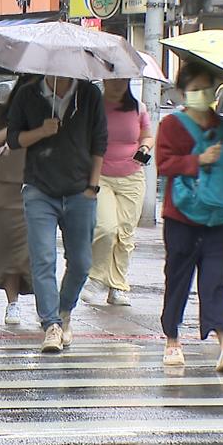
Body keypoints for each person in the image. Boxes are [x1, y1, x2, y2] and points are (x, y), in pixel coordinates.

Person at [156, 62, 223, 372]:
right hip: (181, 218)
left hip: (219, 219)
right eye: (194, 88)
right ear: (183, 92)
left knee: (217, 281)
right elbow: (164, 164)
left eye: (205, 88)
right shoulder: (171, 124)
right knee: (178, 279)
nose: (200, 94)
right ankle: (172, 340)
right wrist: (198, 160)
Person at [7, 75, 107, 353]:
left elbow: (100, 140)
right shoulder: (28, 94)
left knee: (81, 262)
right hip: (40, 189)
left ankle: (64, 310)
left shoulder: (88, 94)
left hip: (80, 191)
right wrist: (41, 131)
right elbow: (13, 139)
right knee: (43, 259)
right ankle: (50, 325)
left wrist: (93, 185)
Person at [80, 79, 154, 307]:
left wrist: (144, 148)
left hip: (132, 177)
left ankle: (118, 286)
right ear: (104, 80)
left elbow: (147, 136)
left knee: (125, 232)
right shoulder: (95, 106)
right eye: (114, 80)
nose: (118, 84)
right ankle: (95, 277)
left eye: (123, 80)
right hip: (100, 175)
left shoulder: (138, 107)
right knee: (106, 227)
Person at [0, 76, 36, 325]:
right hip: (3, 192)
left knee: (32, 251)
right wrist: (9, 131)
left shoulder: (44, 117)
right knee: (7, 252)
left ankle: (44, 301)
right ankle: (12, 303)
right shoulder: (0, 114)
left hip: (35, 189)